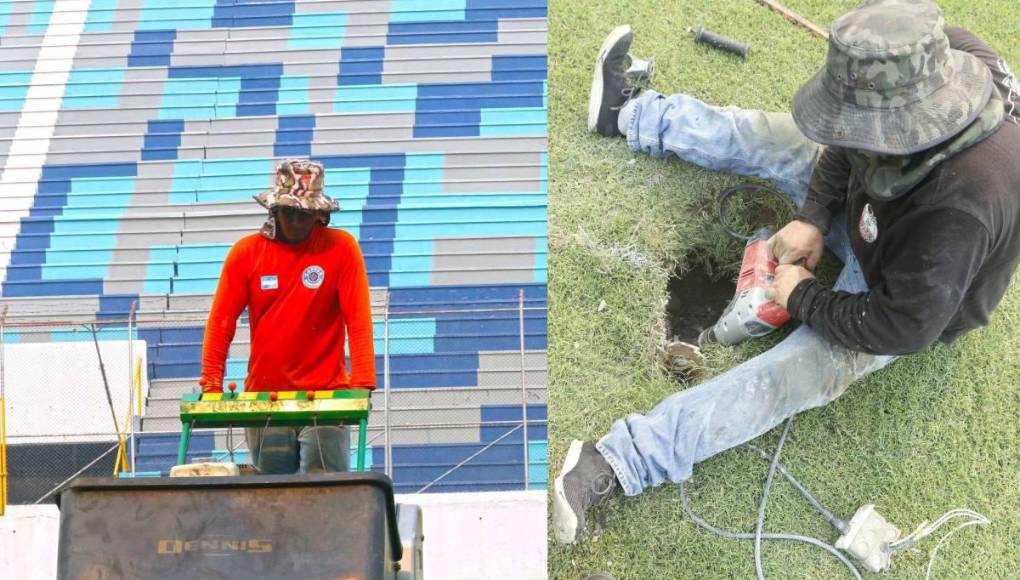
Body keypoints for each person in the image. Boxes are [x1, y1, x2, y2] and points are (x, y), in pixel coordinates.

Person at [554, 0, 1020, 544]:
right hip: (877, 215)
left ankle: (620, 460)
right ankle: (630, 113)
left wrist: (803, 297)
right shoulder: (943, 54)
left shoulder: (963, 206)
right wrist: (812, 218)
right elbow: (849, 134)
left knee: (789, 376)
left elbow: (903, 326)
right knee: (771, 137)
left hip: (897, 291)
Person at [199, 159, 376, 474]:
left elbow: (358, 319)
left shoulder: (341, 249)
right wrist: (211, 384)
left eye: (304, 214)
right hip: (265, 397)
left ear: (319, 214)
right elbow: (221, 323)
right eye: (289, 212)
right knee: (272, 494)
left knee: (325, 490)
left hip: (326, 396)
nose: (296, 221)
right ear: (273, 210)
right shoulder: (246, 253)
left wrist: (361, 385)